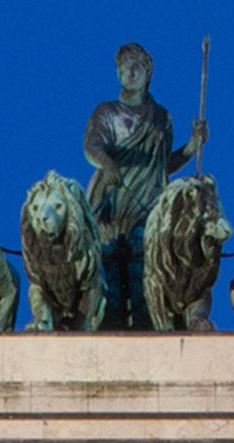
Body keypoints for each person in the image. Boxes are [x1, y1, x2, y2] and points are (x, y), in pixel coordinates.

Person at [76, 42, 201, 328]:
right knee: (109, 263)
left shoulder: (161, 117)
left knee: (146, 264)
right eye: (124, 68)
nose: (130, 73)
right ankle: (109, 321)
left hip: (149, 202)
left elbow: (161, 166)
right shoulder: (107, 112)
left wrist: (191, 147)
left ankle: (150, 320)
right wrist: (108, 164)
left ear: (148, 73)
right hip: (114, 199)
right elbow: (91, 147)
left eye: (137, 68)